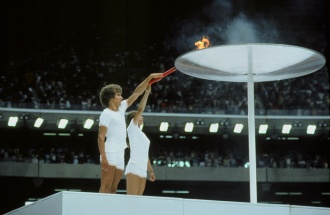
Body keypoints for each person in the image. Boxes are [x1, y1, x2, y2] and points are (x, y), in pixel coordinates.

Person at [98, 73, 162, 194]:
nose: (121, 97)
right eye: (118, 95)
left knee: (114, 187)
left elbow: (137, 93)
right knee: (106, 185)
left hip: (120, 153)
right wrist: (104, 157)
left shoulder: (121, 108)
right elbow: (101, 137)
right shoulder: (106, 114)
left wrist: (149, 78)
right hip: (110, 151)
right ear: (111, 98)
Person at [125, 84, 156, 195]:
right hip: (133, 167)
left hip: (143, 170)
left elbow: (145, 155)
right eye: (138, 116)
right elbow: (140, 109)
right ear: (134, 119)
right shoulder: (131, 128)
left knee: (138, 203)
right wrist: (146, 93)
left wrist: (151, 171)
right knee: (131, 202)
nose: (141, 117)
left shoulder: (142, 135)